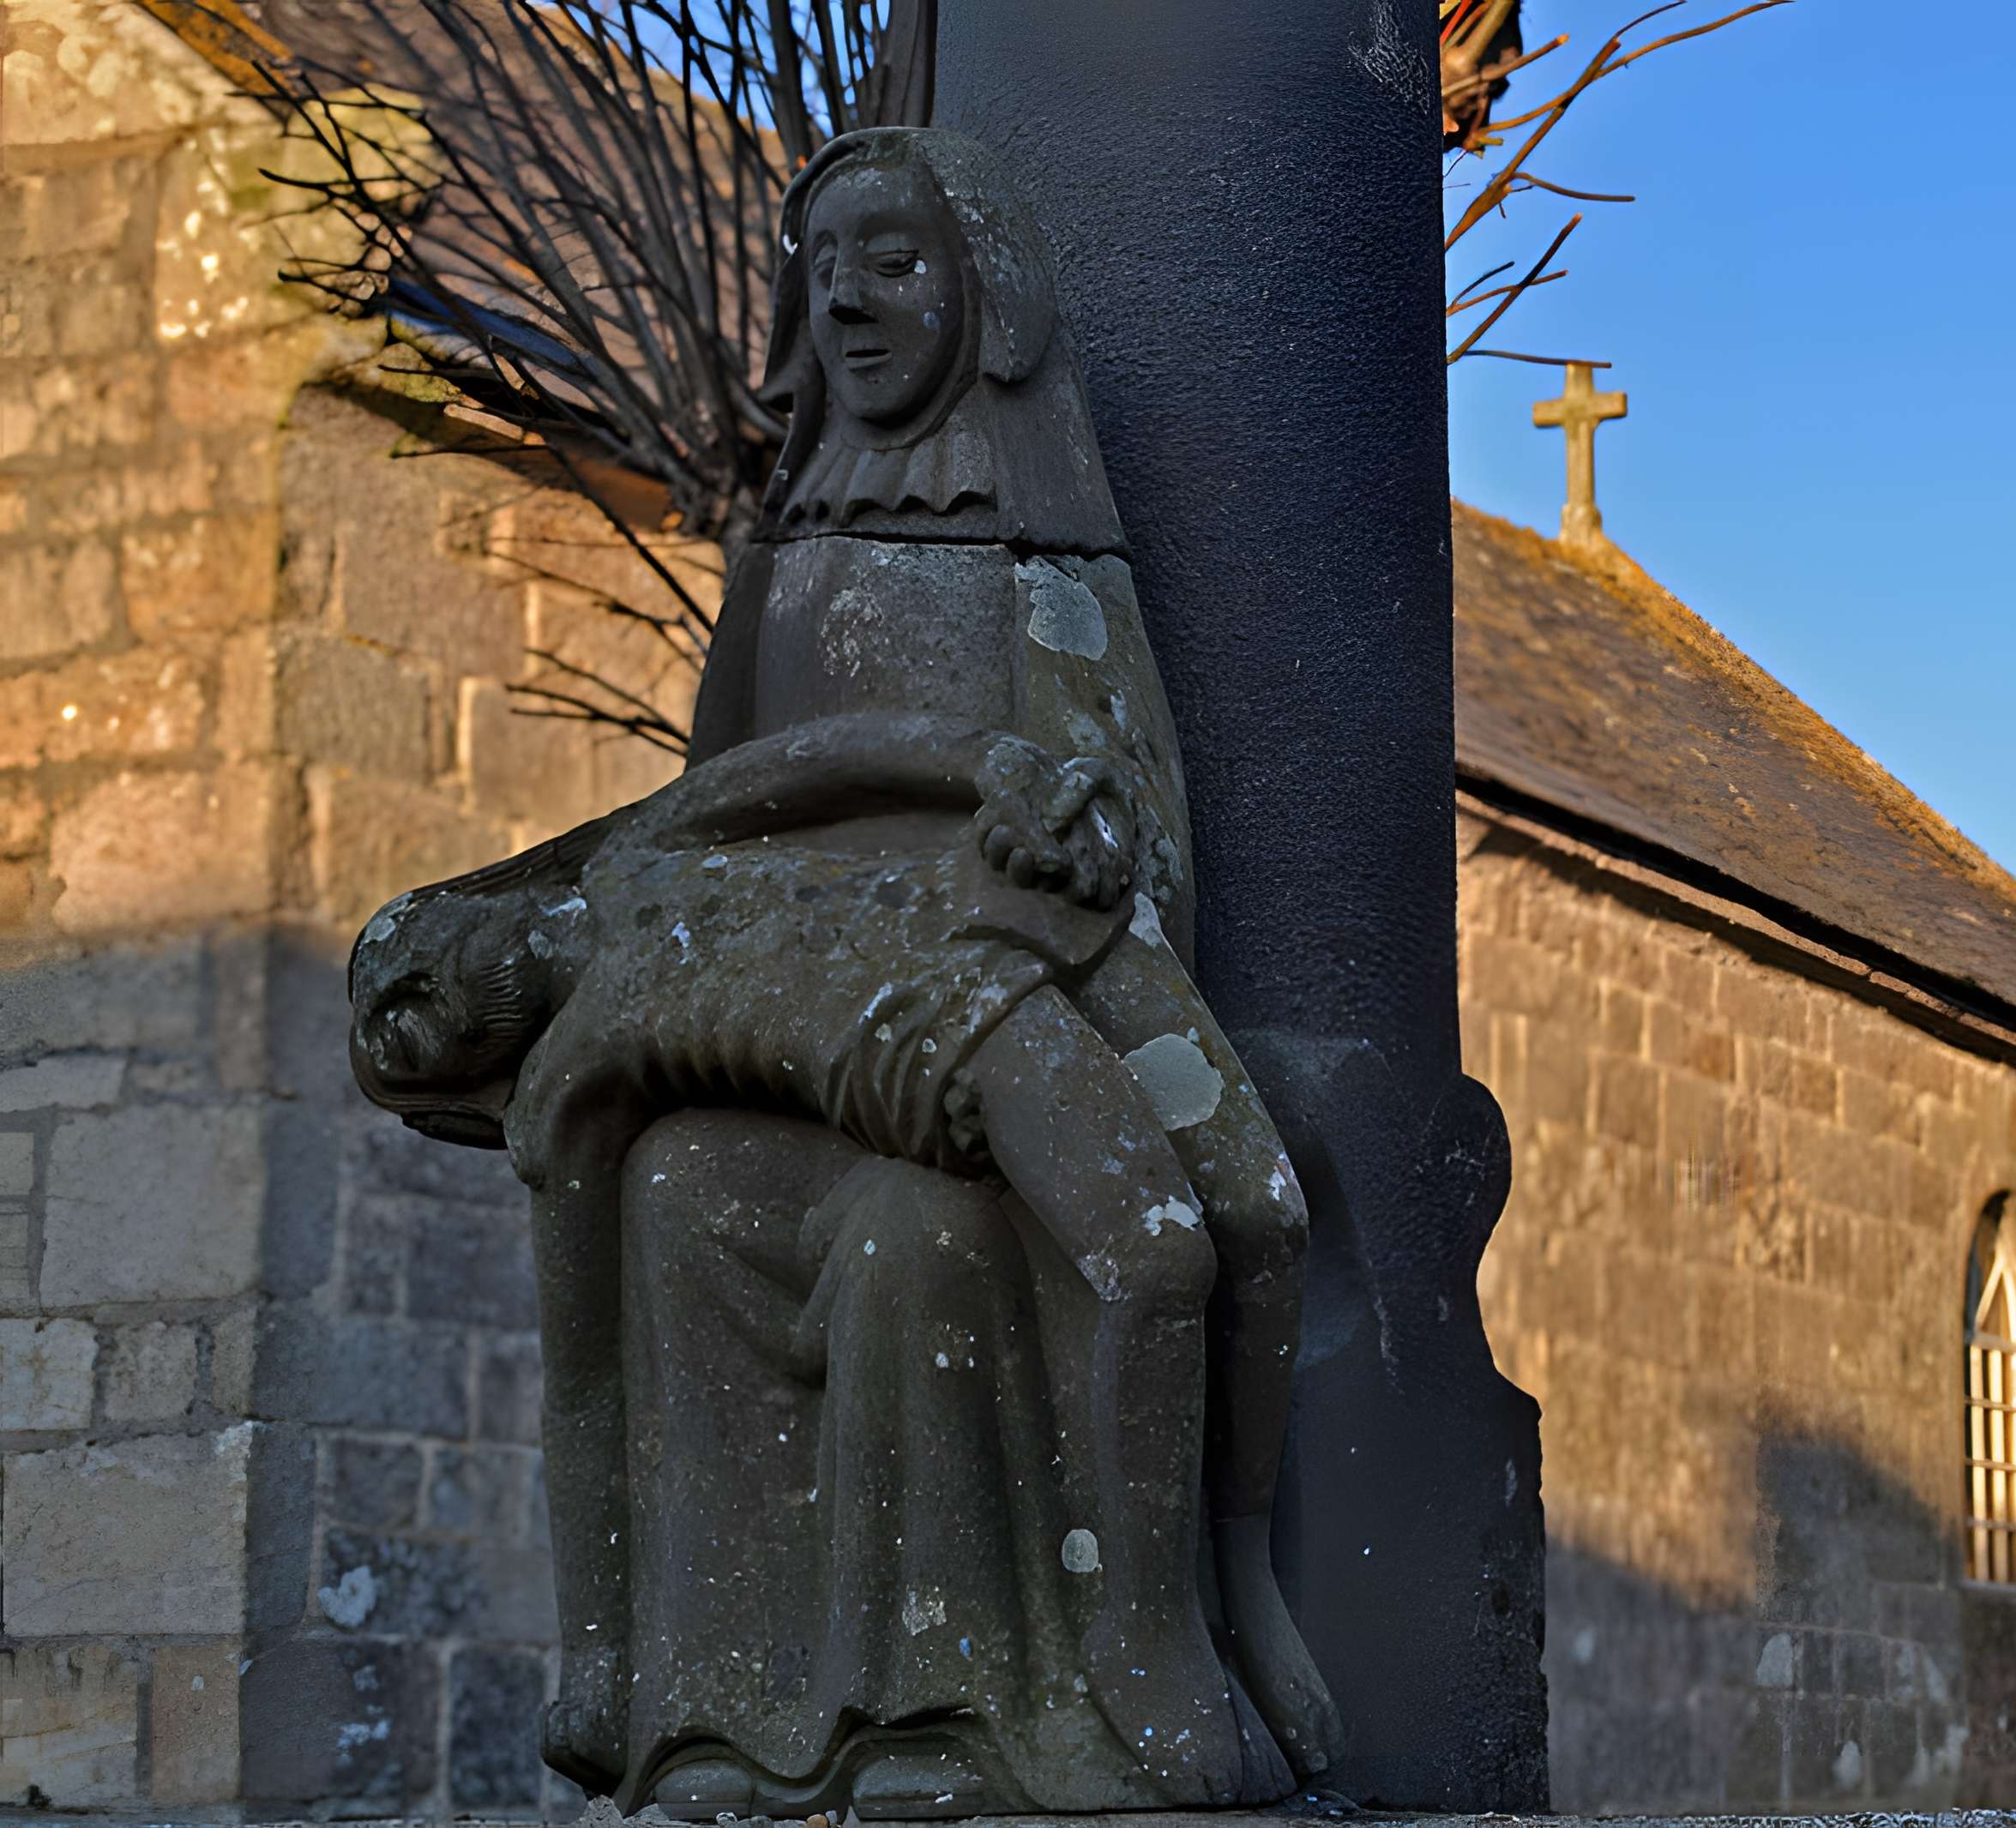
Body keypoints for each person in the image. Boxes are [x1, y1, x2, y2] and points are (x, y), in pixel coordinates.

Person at [349, 127, 1335, 1818]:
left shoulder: (1052, 568)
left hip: (987, 1013)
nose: (858, 299)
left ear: (982, 295)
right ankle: (717, 1726)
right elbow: (700, 823)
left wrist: (1002, 928)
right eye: (830, 268)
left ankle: (957, 1714)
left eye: (896, 258)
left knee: (921, 1241)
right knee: (672, 1195)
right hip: (784, 1044)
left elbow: (1131, 842)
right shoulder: (782, 565)